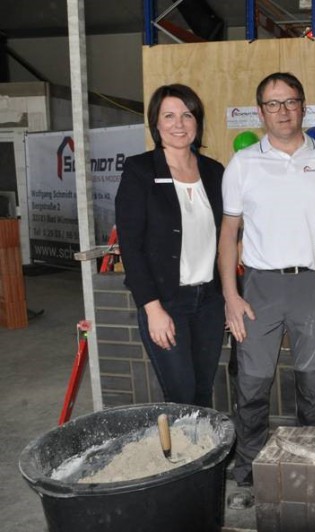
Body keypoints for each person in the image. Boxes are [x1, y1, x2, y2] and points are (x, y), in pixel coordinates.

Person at [218, 72, 315, 504]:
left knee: (312, 384)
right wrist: (230, 295)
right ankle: (250, 469)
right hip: (258, 287)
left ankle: (311, 462)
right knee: (253, 384)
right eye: (273, 104)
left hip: (314, 286)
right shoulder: (243, 164)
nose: (282, 111)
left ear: (303, 106)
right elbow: (228, 234)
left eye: (290, 101)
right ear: (260, 112)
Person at [115, 84, 225, 408]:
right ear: (156, 123)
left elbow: (227, 235)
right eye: (169, 116)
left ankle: (204, 458)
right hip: (166, 303)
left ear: (197, 121)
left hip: (208, 302)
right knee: (181, 396)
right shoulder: (140, 170)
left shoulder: (213, 171)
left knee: (204, 392)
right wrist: (152, 309)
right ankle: (181, 458)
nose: (179, 123)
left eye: (187, 115)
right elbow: (130, 247)